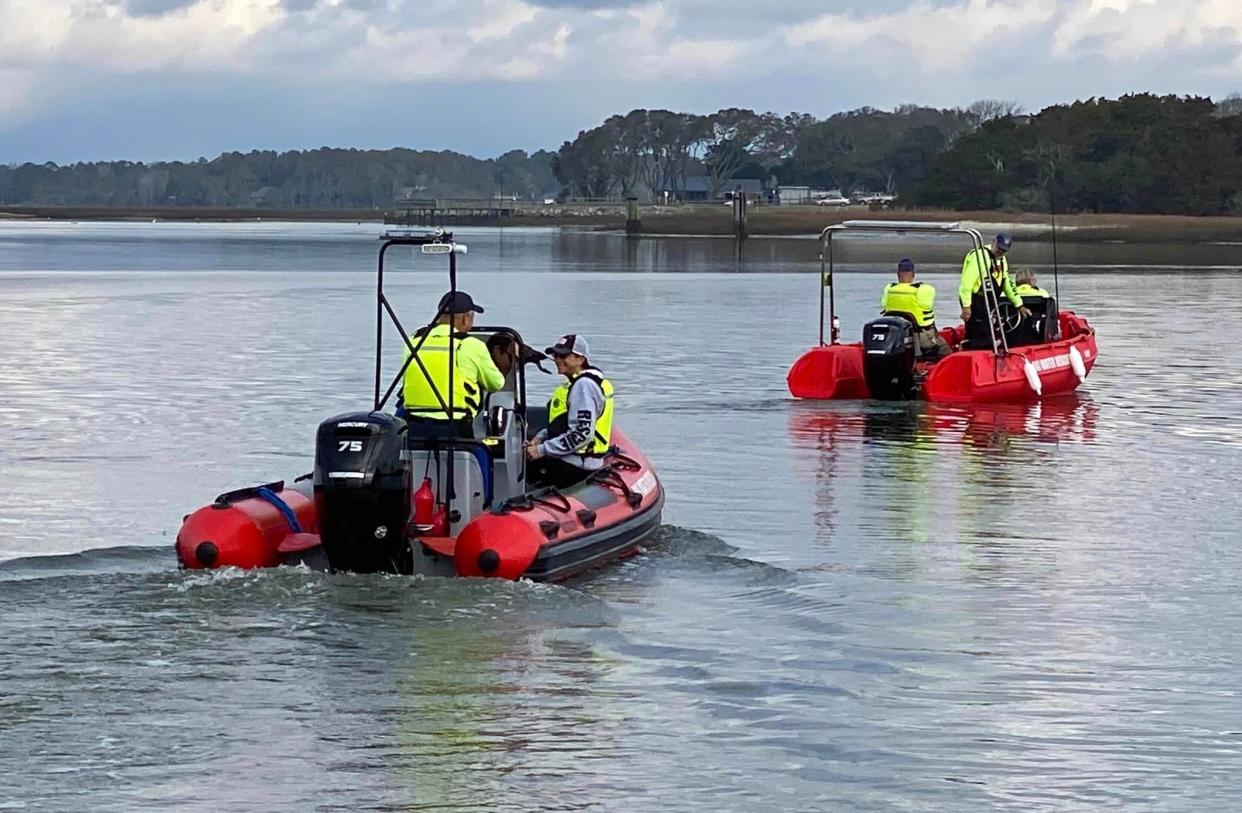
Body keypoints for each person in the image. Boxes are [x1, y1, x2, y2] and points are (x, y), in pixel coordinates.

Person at [401, 290, 505, 437]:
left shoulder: (414, 341)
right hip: (454, 426)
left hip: (413, 426)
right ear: (465, 319)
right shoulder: (470, 345)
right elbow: (496, 384)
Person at [525, 334, 614, 489]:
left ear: (580, 359)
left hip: (576, 465)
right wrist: (541, 437)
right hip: (577, 460)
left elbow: (582, 434)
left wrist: (541, 450)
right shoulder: (585, 382)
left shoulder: (583, 386)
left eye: (563, 355)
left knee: (519, 469)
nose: (557, 359)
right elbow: (566, 423)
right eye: (555, 355)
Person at [958, 232, 1030, 345]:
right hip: (975, 300)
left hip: (989, 301)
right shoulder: (979, 257)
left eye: (1003, 250)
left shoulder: (1002, 260)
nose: (1000, 252)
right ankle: (966, 347)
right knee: (979, 331)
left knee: (989, 330)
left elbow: (1007, 283)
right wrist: (966, 306)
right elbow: (966, 284)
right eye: (999, 248)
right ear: (993, 242)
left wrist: (1019, 305)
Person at [880, 258, 950, 358]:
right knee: (945, 350)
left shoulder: (889, 289)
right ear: (913, 274)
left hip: (894, 339)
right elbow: (928, 303)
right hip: (921, 338)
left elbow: (884, 304)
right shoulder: (923, 290)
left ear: (898, 274)